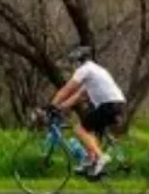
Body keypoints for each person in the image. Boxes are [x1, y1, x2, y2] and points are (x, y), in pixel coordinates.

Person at [51, 45, 126, 178]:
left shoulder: (84, 70)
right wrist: (61, 107)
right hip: (117, 104)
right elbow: (78, 96)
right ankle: (91, 161)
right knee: (89, 131)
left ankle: (101, 157)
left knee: (79, 129)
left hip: (108, 105)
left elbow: (68, 89)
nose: (73, 65)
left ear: (78, 61)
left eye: (73, 62)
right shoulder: (96, 70)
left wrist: (52, 105)